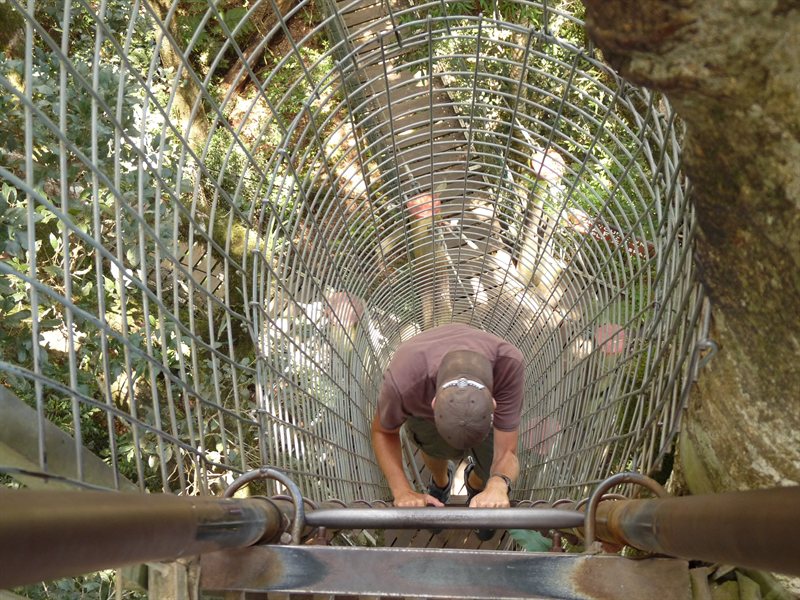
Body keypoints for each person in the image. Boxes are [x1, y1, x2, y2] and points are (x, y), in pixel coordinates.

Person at [371, 323, 525, 522]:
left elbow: (506, 452)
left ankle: (476, 486)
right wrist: (402, 490)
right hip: (424, 410)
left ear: (494, 404)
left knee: (489, 468)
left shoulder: (508, 365)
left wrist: (497, 484)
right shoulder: (404, 381)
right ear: (433, 403)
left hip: (481, 417)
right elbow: (382, 431)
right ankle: (441, 482)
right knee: (435, 448)